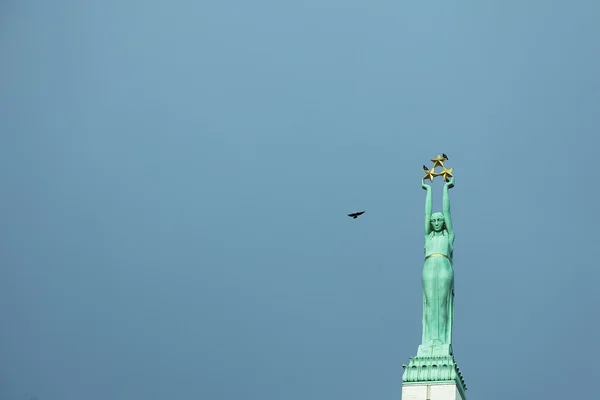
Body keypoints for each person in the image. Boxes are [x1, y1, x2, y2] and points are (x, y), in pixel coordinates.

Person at [421, 176, 455, 346]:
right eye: (433, 220)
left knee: (441, 303)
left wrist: (445, 188)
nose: (435, 222)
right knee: (429, 304)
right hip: (429, 266)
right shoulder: (428, 237)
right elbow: (427, 213)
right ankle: (429, 340)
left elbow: (447, 212)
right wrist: (428, 190)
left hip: (443, 266)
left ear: (444, 222)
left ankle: (440, 339)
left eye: (439, 220)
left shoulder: (448, 237)